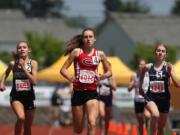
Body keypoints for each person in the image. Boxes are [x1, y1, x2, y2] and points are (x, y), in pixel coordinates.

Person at [60, 28, 112, 135]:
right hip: (78, 93)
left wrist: (102, 77)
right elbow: (63, 70)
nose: (88, 39)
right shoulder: (76, 52)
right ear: (83, 39)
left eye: (90, 37)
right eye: (86, 37)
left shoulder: (100, 54)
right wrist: (70, 78)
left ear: (95, 39)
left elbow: (109, 72)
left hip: (92, 93)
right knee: (78, 130)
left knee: (92, 123)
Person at [139, 43, 180, 135]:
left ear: (166, 54)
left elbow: (177, 84)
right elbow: (142, 71)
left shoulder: (168, 67)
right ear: (155, 53)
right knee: (155, 114)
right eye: (158, 50)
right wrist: (140, 86)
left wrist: (171, 73)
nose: (160, 53)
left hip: (164, 100)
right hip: (151, 97)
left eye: (163, 51)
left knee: (161, 129)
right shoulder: (149, 66)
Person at [0, 41, 38, 135]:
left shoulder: (33, 63)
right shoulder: (13, 64)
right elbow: (6, 73)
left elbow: (34, 81)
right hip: (16, 97)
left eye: (24, 47)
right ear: (17, 51)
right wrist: (1, 83)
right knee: (21, 117)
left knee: (27, 128)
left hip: (29, 97)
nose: (22, 49)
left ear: (29, 50)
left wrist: (24, 68)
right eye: (19, 48)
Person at [128, 58, 151, 135]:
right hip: (137, 100)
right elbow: (129, 89)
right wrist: (133, 83)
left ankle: (147, 123)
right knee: (140, 121)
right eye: (141, 64)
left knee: (147, 116)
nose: (142, 66)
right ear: (138, 65)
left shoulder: (149, 74)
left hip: (146, 99)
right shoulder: (134, 75)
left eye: (144, 64)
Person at [98, 62, 117, 135]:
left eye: (107, 67)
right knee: (102, 115)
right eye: (104, 66)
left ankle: (106, 132)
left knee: (107, 118)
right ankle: (102, 132)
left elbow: (115, 88)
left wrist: (109, 82)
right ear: (103, 67)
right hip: (101, 97)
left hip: (108, 97)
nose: (105, 68)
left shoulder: (112, 77)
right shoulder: (100, 76)